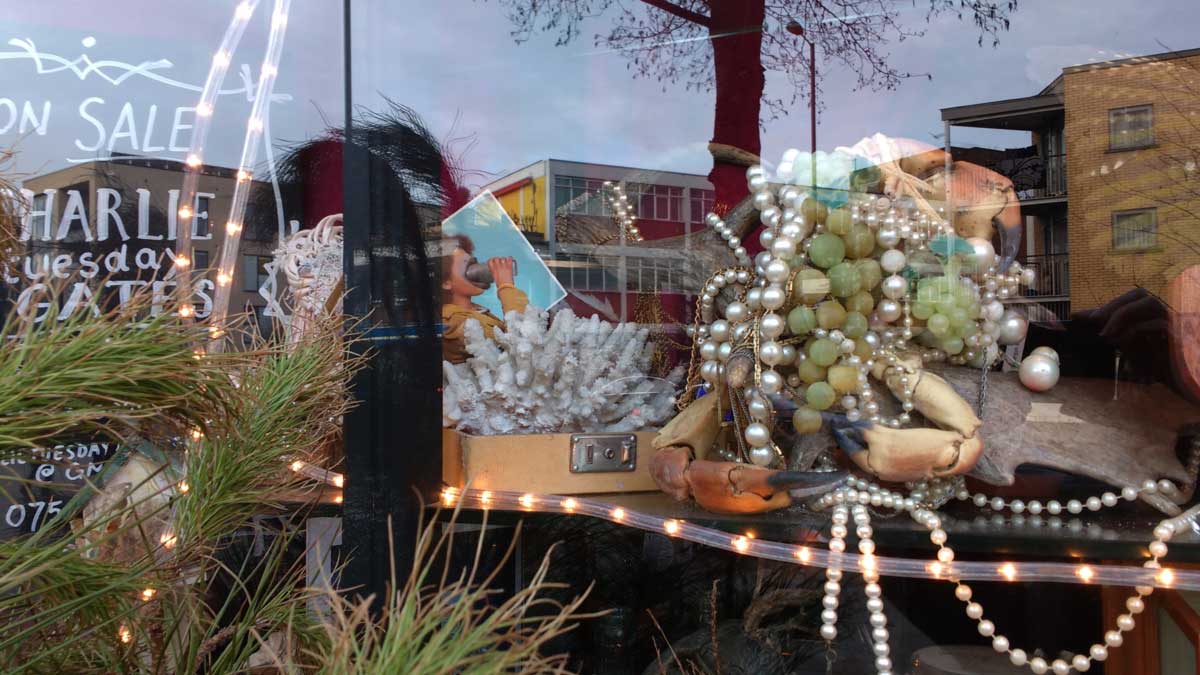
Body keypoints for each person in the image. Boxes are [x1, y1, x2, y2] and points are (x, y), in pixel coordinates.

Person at [439, 234, 527, 364]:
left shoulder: (475, 310)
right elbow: (521, 344)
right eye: (469, 267)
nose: (477, 269)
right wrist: (506, 286)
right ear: (446, 282)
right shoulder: (453, 322)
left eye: (474, 263)